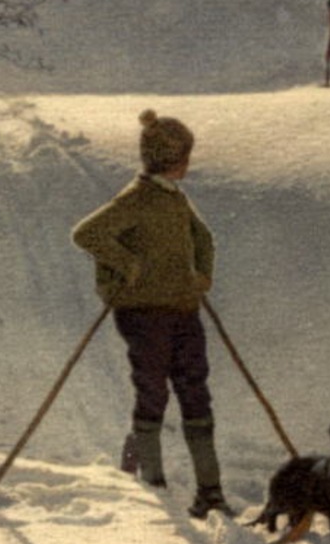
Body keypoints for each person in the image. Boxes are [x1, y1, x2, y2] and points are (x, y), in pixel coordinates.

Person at [71, 110, 235, 519]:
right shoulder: (137, 198)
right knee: (154, 390)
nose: (188, 163)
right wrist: (129, 265)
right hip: (143, 313)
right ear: (167, 159)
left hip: (183, 309)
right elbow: (87, 233)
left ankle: (210, 493)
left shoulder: (174, 198)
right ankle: (153, 483)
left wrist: (202, 275)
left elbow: (204, 238)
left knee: (195, 392)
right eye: (184, 156)